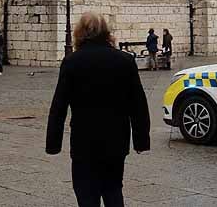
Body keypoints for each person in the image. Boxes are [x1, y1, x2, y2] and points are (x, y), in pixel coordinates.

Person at [47, 11, 150, 207]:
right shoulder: (125, 61)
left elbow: (58, 106)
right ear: (106, 32)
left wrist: (53, 143)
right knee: (113, 189)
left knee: (86, 193)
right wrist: (141, 140)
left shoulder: (72, 62)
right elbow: (138, 105)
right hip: (116, 141)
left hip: (84, 142)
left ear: (80, 33)